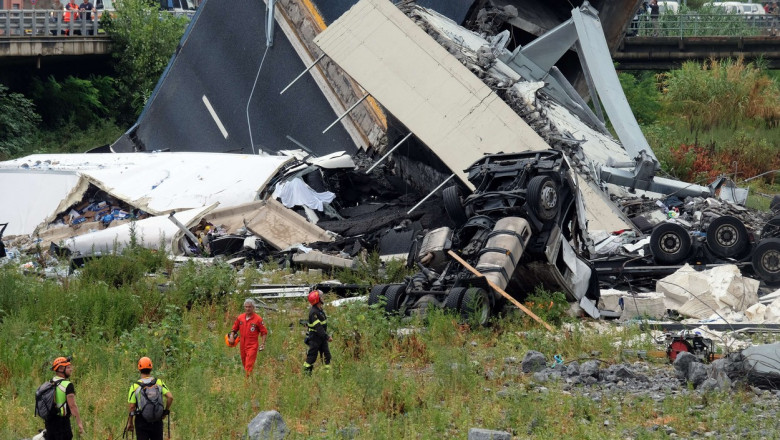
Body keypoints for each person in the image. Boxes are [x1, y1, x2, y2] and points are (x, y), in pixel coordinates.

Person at [125, 357, 173, 440]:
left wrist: (130, 423)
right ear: (151, 368)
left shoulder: (135, 386)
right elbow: (170, 397)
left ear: (139, 368)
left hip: (141, 421)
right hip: (157, 420)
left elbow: (132, 407)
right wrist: (165, 412)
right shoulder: (159, 382)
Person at [45, 357, 85, 440]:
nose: (71, 369)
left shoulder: (50, 381)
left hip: (50, 422)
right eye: (68, 367)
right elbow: (72, 406)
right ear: (61, 369)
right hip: (62, 423)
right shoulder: (68, 385)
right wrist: (79, 424)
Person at [228, 299, 268, 376]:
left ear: (253, 307)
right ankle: (251, 380)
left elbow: (264, 332)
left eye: (249, 307)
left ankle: (246, 385)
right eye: (246, 307)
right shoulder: (240, 318)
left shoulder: (258, 319)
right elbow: (234, 329)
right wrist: (232, 336)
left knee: (249, 365)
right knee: (245, 364)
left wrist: (263, 344)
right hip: (242, 345)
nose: (247, 309)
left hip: (252, 345)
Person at [303, 290, 332, 374]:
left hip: (321, 338)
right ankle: (306, 375)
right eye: (321, 297)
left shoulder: (320, 310)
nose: (323, 298)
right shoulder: (313, 313)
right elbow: (319, 328)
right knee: (312, 357)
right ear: (317, 300)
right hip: (315, 338)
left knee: (327, 356)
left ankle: (327, 375)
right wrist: (327, 337)